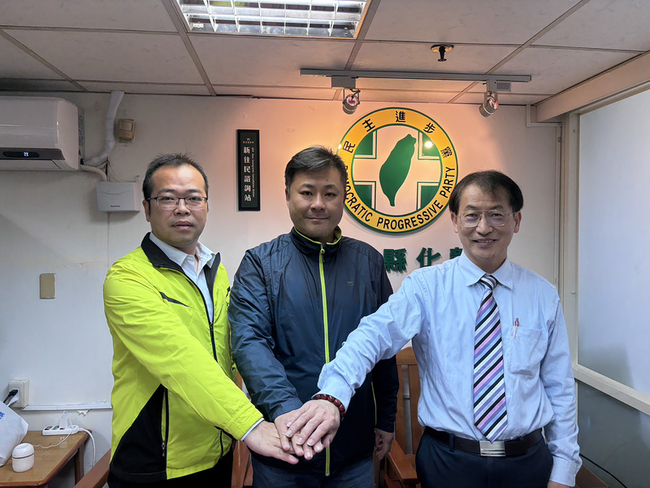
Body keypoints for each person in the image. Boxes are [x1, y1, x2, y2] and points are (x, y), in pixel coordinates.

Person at [286, 170, 581, 488]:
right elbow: (372, 337)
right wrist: (332, 395)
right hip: (448, 462)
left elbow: (559, 388)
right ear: (455, 221)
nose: (483, 228)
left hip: (527, 462)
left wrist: (564, 470)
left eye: (496, 215)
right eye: (472, 215)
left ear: (516, 220)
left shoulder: (542, 295)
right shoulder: (426, 287)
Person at [103, 153, 297, 488]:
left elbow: (234, 350)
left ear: (206, 205)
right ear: (147, 209)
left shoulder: (214, 270)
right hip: (155, 461)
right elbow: (179, 358)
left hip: (216, 449)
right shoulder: (128, 278)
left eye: (194, 198)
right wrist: (250, 424)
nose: (182, 208)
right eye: (167, 198)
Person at [229, 146, 399, 487]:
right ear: (288, 195)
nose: (318, 203)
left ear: (343, 198)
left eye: (329, 193)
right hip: (284, 450)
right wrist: (290, 414)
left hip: (353, 453)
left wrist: (387, 418)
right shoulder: (260, 263)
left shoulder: (368, 262)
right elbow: (250, 344)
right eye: (307, 192)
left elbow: (383, 345)